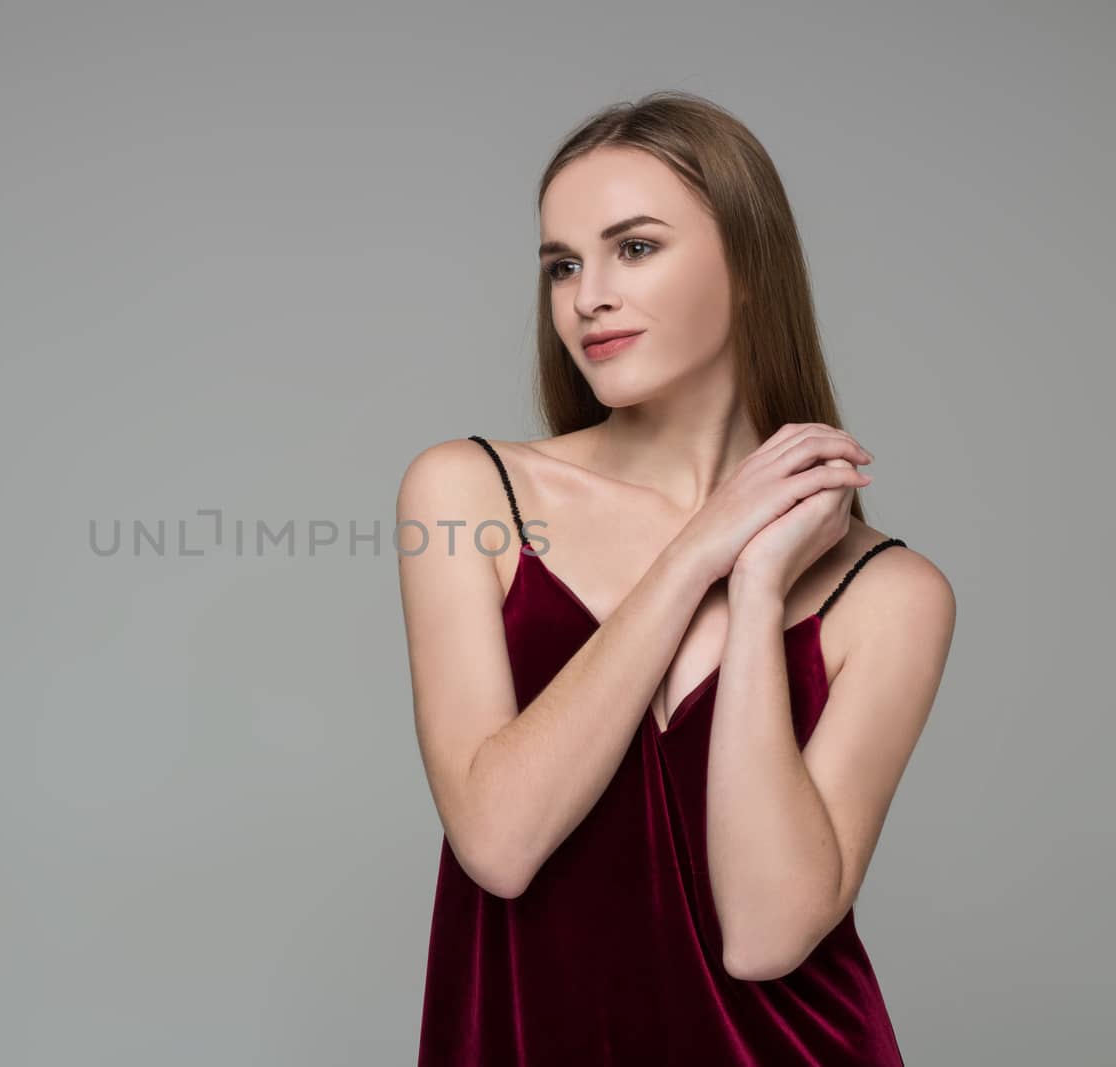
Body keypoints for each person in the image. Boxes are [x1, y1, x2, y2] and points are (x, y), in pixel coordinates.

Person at [395, 91, 956, 1065]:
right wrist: (699, 548)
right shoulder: (463, 491)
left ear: (747, 268)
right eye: (562, 264)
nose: (587, 295)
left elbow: (766, 933)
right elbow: (499, 838)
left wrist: (753, 589)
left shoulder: (892, 594)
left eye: (635, 248)